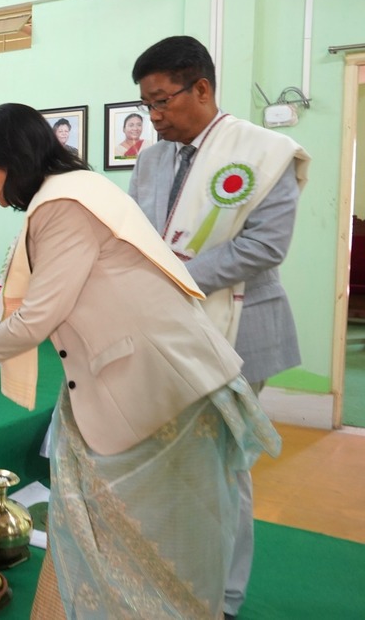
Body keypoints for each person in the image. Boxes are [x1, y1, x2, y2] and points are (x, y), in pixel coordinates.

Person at [0, 103, 280, 619]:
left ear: (14, 161)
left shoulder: (62, 206)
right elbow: (50, 299)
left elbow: (40, 315)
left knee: (154, 538)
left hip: (154, 387)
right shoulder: (76, 189)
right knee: (117, 527)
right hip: (149, 377)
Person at [128, 35, 310, 620]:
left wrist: (176, 277)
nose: (155, 117)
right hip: (169, 331)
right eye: (147, 105)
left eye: (162, 101)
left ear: (201, 88)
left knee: (222, 468)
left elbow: (264, 247)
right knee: (175, 462)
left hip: (239, 329)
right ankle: (177, 572)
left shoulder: (264, 152)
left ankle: (224, 596)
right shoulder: (152, 159)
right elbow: (136, 232)